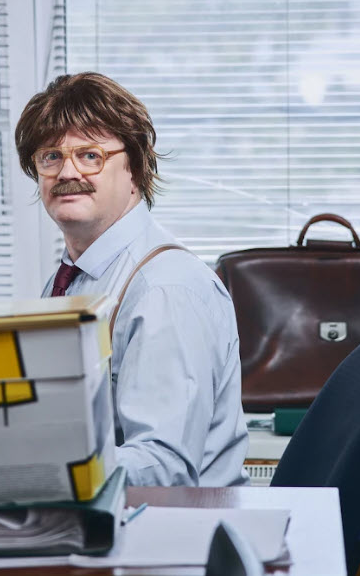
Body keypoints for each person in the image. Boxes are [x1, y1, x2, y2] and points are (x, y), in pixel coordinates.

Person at [14, 72, 249, 487]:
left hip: (176, 531)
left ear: (136, 171)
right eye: (50, 156)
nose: (68, 171)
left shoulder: (163, 289)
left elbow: (164, 466)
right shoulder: (68, 280)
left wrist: (31, 473)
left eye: (91, 155)